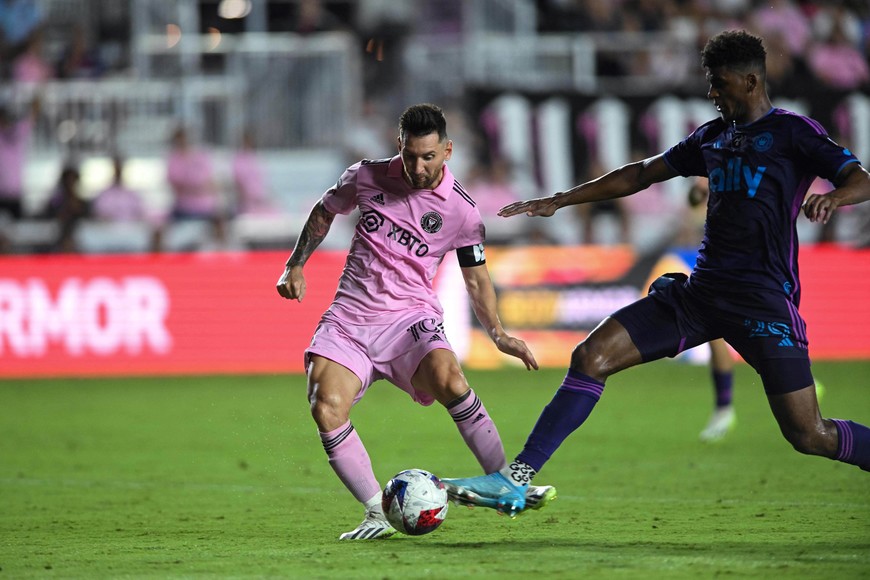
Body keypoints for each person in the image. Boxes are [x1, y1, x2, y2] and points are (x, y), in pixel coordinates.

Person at [442, 30, 870, 517]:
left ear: (751, 81)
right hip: (699, 297)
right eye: (710, 83)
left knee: (808, 434)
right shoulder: (711, 137)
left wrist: (835, 196)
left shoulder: (796, 133)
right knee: (591, 355)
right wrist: (560, 200)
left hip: (762, 301)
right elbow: (642, 173)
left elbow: (860, 179)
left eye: (720, 83)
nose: (712, 93)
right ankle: (514, 480)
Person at [275, 103, 556, 540]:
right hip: (351, 317)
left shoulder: (461, 210)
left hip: (411, 319)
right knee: (325, 404)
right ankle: (375, 512)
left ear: (448, 150)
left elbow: (476, 277)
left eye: (428, 157)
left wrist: (498, 333)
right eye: (410, 156)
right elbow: (324, 209)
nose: (418, 167)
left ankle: (504, 483)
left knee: (451, 379)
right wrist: (296, 264)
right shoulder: (365, 176)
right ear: (399, 146)